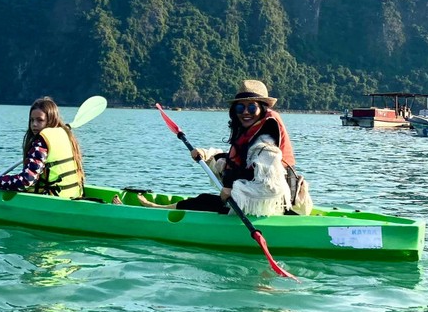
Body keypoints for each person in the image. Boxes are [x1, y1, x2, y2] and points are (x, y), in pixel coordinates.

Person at [133, 79, 311, 216]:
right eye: (240, 107)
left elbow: (269, 184)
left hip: (274, 206)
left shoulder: (266, 141)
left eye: (251, 107)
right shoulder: (249, 130)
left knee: (203, 202)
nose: (245, 112)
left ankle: (155, 209)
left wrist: (233, 191)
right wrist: (206, 154)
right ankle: (160, 208)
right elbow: (237, 161)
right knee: (216, 173)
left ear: (263, 109)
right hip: (264, 201)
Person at [0, 97, 85, 199]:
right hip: (73, 196)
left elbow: (26, 180)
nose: (34, 124)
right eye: (32, 120)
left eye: (40, 120)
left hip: (51, 199)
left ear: (50, 120)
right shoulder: (65, 134)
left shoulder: (42, 142)